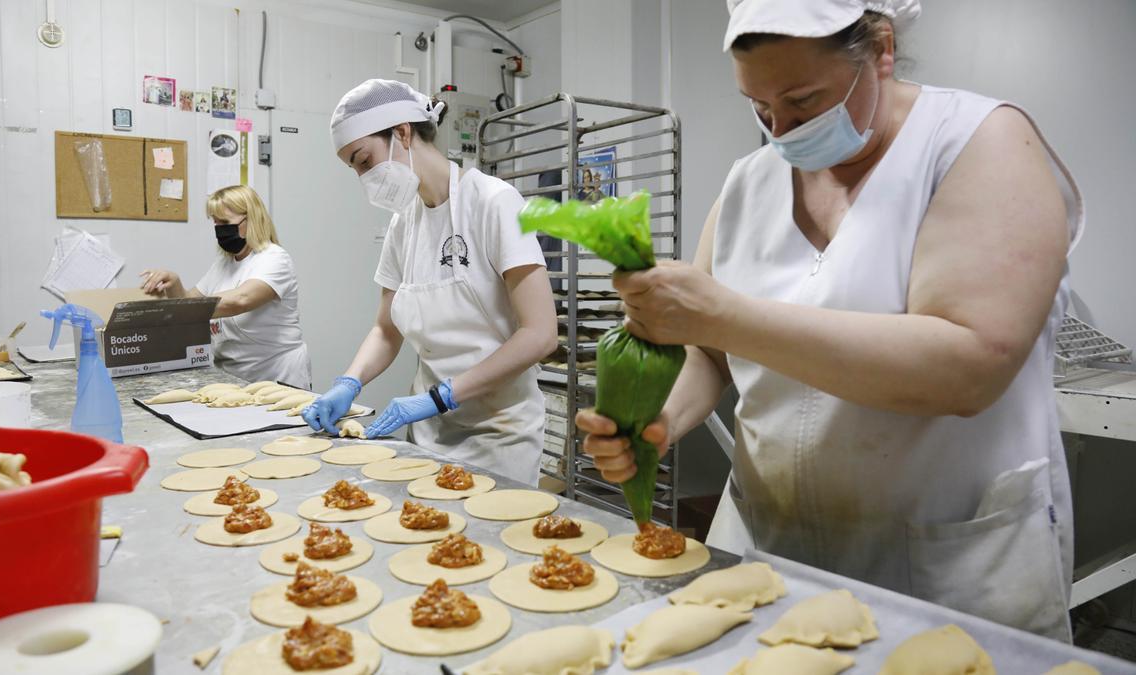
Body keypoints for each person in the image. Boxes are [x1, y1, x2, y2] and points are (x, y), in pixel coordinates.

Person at [577, 0, 1082, 641]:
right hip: (767, 543)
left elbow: (969, 369)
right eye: (760, 109)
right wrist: (661, 421)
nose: (782, 131)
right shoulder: (750, 182)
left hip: (935, 561)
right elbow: (708, 353)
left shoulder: (976, 142)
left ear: (881, 48)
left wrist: (728, 317)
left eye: (804, 102)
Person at [305, 79, 557, 485]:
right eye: (354, 168)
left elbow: (541, 334)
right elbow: (386, 330)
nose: (363, 177)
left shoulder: (494, 203)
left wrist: (443, 396)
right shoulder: (404, 224)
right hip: (428, 434)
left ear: (402, 133)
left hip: (500, 434)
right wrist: (348, 382)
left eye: (364, 160)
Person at [140, 185, 311, 388]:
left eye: (225, 223)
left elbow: (240, 300)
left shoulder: (274, 259)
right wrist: (174, 284)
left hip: (278, 377)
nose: (220, 230)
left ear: (251, 220)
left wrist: (181, 309)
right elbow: (189, 304)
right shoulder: (224, 263)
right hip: (234, 379)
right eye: (216, 223)